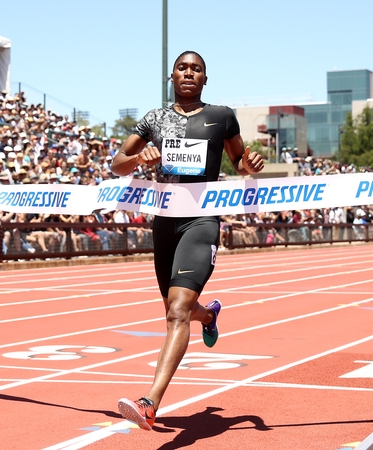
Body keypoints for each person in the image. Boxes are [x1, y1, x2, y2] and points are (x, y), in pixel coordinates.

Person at [111, 51, 264, 431]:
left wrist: (251, 167)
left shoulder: (222, 116)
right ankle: (209, 315)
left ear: (205, 79)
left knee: (177, 312)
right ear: (172, 76)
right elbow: (117, 162)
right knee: (176, 309)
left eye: (196, 69)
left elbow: (238, 161)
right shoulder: (154, 118)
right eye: (183, 67)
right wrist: (138, 159)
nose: (189, 73)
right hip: (165, 223)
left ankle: (150, 402)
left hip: (201, 220)